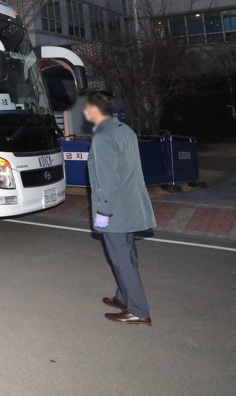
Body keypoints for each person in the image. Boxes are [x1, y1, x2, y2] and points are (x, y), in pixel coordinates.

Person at [85, 91, 156, 325]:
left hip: (114, 208)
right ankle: (123, 296)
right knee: (128, 254)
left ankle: (138, 310)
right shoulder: (124, 130)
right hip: (129, 204)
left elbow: (107, 179)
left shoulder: (103, 136)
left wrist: (103, 213)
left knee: (121, 259)